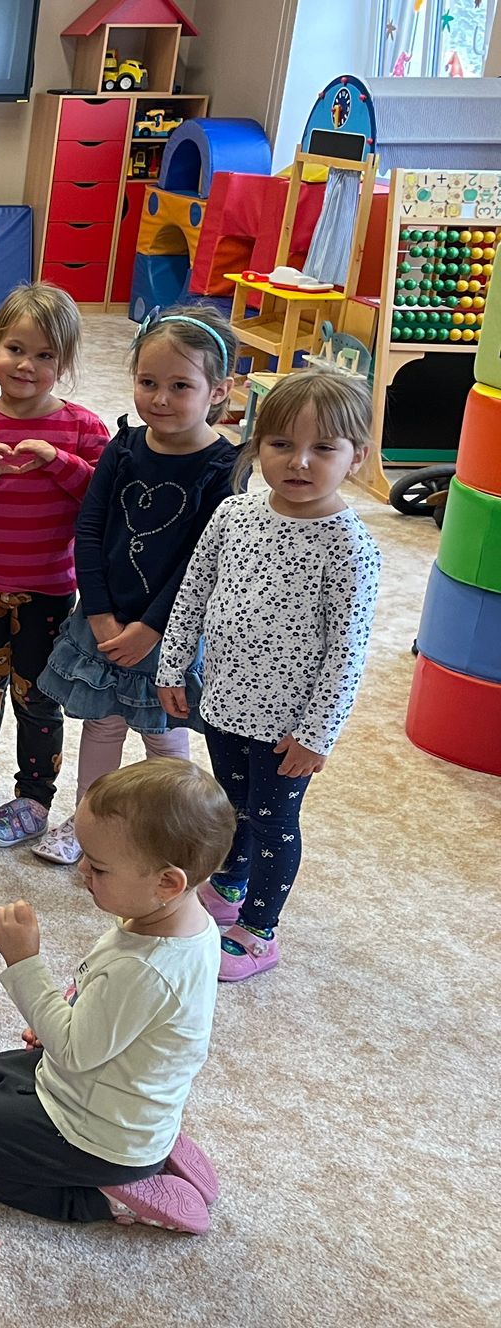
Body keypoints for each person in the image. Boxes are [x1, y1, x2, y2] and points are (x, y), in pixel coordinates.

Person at [157, 369, 381, 981]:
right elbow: (194, 592)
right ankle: (230, 882)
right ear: (258, 445)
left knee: (274, 821)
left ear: (357, 456)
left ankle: (259, 930)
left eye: (323, 448)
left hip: (289, 725)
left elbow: (346, 653)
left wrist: (318, 734)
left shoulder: (350, 547)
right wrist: (173, 664)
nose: (299, 462)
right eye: (282, 444)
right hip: (224, 702)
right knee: (233, 808)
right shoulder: (234, 514)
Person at [0, 760, 234, 1234]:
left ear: (167, 883)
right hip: (103, 1091)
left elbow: (75, 1051)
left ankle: (109, 1195)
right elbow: (114, 1009)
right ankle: (153, 1149)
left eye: (98, 867)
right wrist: (66, 1015)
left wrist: (24, 962)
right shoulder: (182, 921)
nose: (82, 868)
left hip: (95, 1131)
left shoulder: (145, 968)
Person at [33, 309, 240, 866]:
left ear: (219, 391)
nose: (160, 398)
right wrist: (100, 615)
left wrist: (152, 628)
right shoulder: (123, 445)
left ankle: (173, 832)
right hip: (104, 620)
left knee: (163, 733)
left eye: (181, 386)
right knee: (101, 724)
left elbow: (203, 563)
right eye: (148, 382)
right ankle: (87, 821)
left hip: (170, 633)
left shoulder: (225, 467)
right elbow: (90, 529)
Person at [0, 284, 109, 846]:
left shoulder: (83, 428)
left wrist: (60, 461)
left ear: (65, 363)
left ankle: (34, 796)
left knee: (37, 692)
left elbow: (101, 501)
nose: (27, 365)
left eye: (45, 355)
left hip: (49, 588)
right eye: (15, 349)